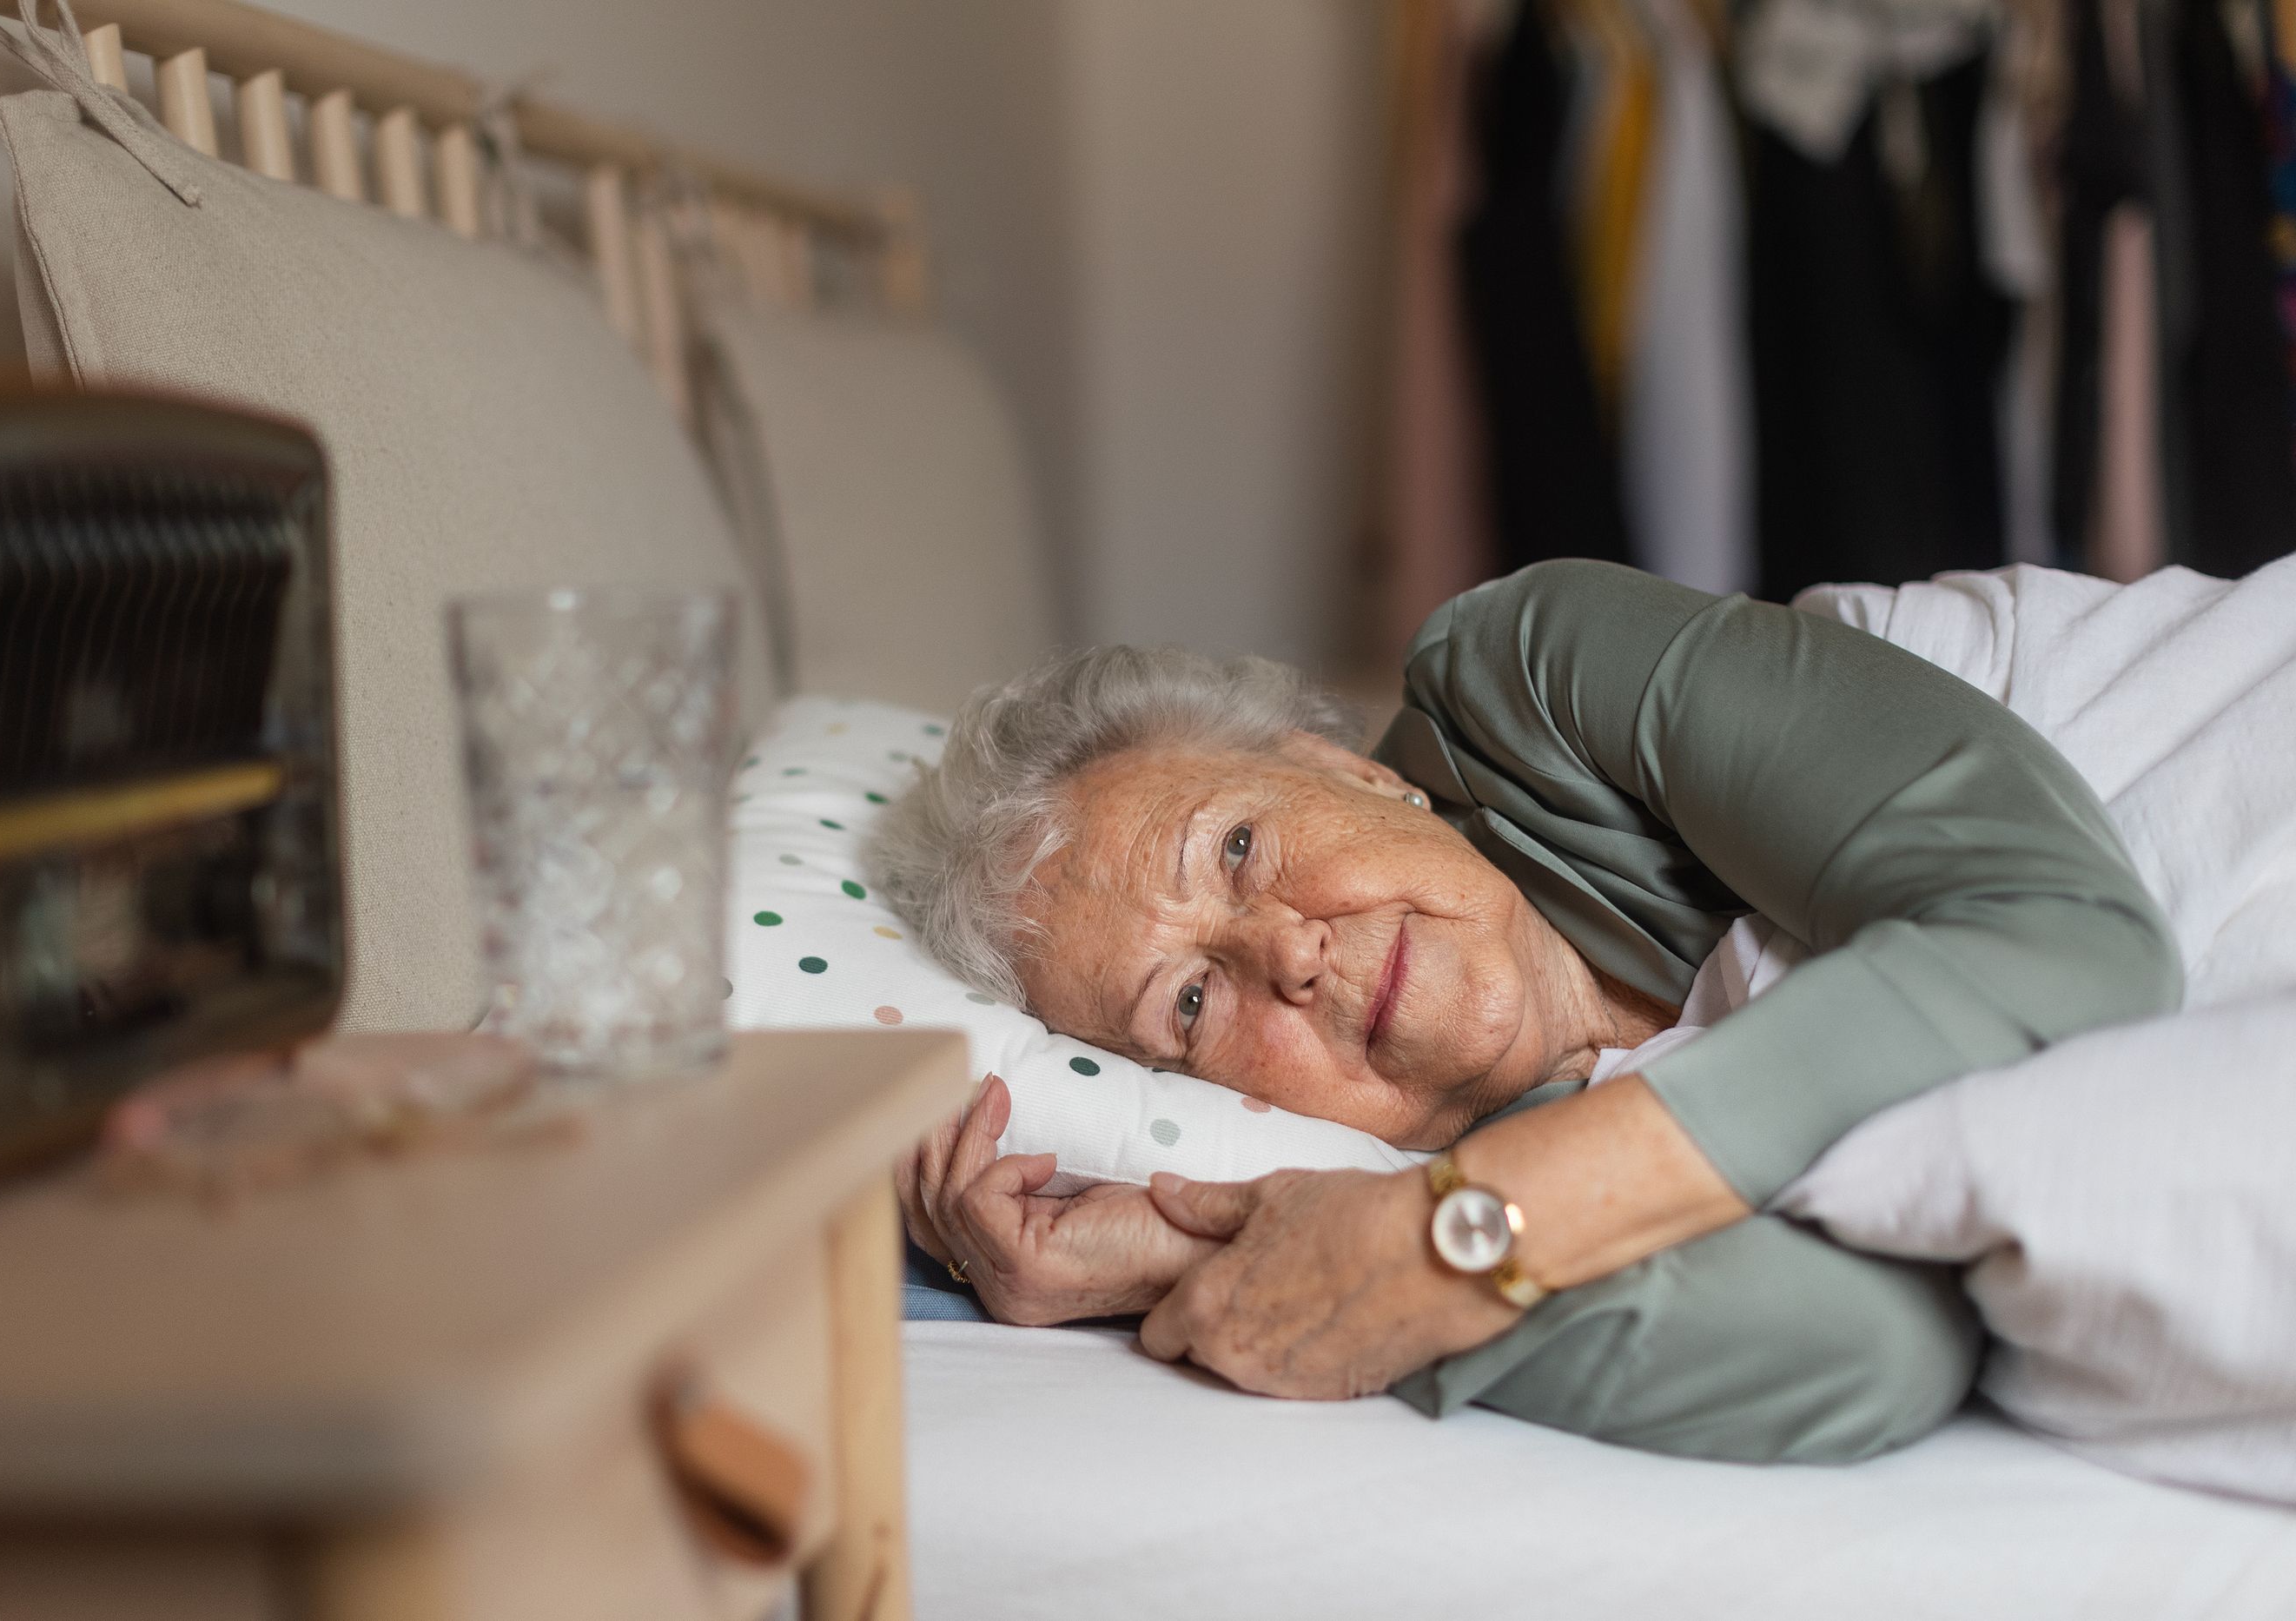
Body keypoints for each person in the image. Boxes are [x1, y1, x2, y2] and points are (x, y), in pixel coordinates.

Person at [870, 560, 2180, 1462]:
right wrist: (1212, 1260)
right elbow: (1881, 1347)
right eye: (1195, 1000)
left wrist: (1437, 1255)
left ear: (1344, 773)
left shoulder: (1525, 682)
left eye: (1235, 849)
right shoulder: (1417, 1168)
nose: (1291, 954)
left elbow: (2073, 936)